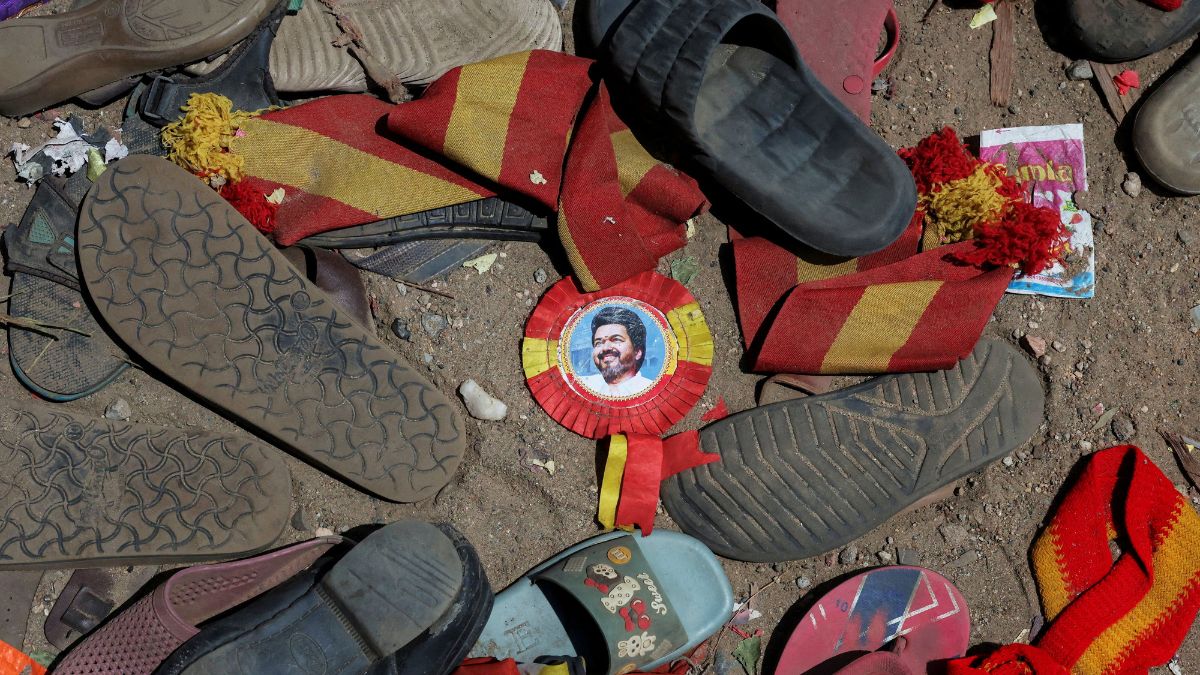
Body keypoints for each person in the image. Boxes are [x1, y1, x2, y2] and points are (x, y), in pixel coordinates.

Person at [579, 306, 653, 397]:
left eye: (616, 340)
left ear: (637, 352)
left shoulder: (653, 390)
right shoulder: (579, 387)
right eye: (598, 343)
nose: (605, 348)